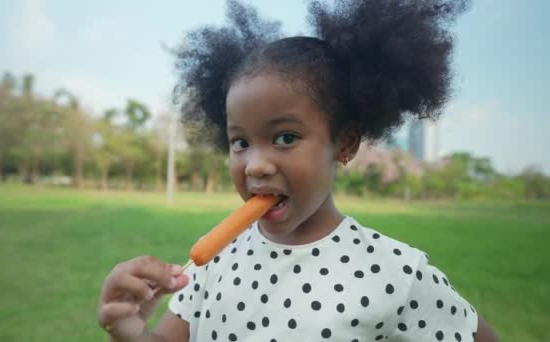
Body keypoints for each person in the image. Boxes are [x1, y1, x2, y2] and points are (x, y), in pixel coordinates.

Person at [97, 0, 499, 341]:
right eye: (240, 142)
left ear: (344, 144)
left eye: (285, 137)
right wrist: (129, 328)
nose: (254, 164)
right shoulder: (213, 258)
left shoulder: (395, 272)